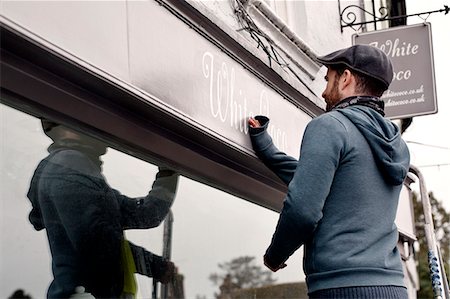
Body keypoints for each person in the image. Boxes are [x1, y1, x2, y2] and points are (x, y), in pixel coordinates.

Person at [248, 45, 410, 298]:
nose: (323, 92)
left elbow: (303, 209)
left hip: (342, 287)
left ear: (345, 78)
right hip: (394, 287)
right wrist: (266, 147)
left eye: (327, 80)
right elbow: (322, 180)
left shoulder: (330, 125)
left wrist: (275, 256)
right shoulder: (396, 143)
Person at [27, 120, 180, 298]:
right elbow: (101, 244)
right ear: (69, 126)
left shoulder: (81, 173)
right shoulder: (68, 167)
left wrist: (169, 172)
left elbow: (145, 215)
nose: (107, 132)